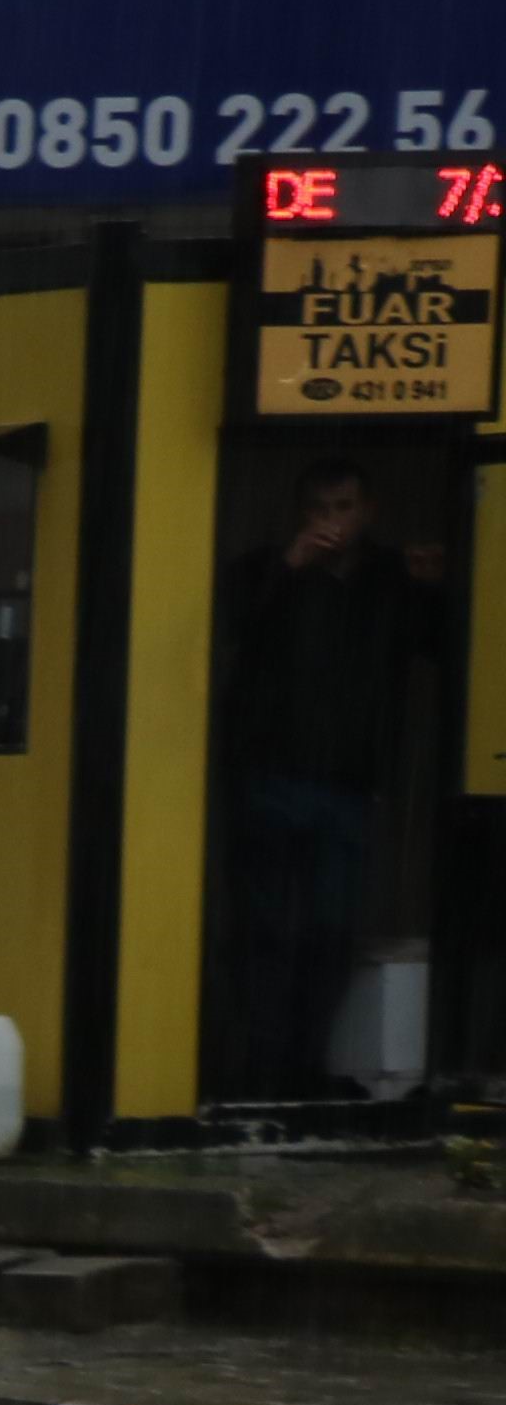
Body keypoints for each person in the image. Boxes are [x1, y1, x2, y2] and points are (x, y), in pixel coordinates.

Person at [215, 458, 448, 1096]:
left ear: (368, 511)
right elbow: (224, 625)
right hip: (272, 777)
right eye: (319, 509)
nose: (331, 522)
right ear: (299, 514)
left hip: (349, 784)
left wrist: (431, 588)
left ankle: (302, 1066)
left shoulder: (392, 579)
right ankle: (261, 1067)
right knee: (267, 930)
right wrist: (289, 567)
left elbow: (443, 651)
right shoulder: (270, 569)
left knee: (330, 931)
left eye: (343, 508)